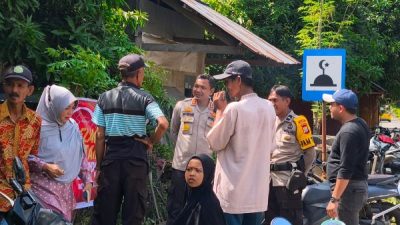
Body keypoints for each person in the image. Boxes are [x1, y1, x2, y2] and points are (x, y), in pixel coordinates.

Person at [91, 54, 169, 225]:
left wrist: (98, 166)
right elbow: (163, 124)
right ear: (139, 73)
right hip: (135, 160)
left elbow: (99, 136)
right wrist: (150, 141)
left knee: (105, 213)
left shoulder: (104, 98)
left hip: (111, 159)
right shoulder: (145, 98)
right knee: (134, 214)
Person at [207, 60, 276, 225]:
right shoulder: (268, 107)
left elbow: (214, 143)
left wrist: (219, 111)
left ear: (238, 80)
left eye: (227, 82)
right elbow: (271, 147)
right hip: (257, 193)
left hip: (233, 193)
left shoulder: (234, 108)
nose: (227, 87)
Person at [27, 84, 92, 222]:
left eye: (72, 107)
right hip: (41, 190)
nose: (70, 112)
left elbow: (80, 155)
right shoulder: (34, 127)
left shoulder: (73, 126)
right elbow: (23, 156)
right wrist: (44, 166)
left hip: (66, 194)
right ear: (54, 106)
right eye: (66, 108)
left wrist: (88, 181)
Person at [167, 74, 216, 225]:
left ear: (212, 91)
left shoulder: (217, 112)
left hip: (203, 170)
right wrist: (180, 151)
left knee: (199, 207)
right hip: (181, 166)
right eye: (196, 86)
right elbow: (173, 131)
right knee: (176, 206)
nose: (198, 90)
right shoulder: (182, 105)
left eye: (203, 87)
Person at [264, 85, 316, 225]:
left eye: (275, 100)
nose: (272, 104)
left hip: (287, 182)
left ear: (287, 101)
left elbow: (310, 153)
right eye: (270, 100)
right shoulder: (269, 121)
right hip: (268, 180)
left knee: (290, 220)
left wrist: (300, 175)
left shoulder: (298, 122)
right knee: (270, 219)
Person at [0, 65, 41, 223]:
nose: (14, 90)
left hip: (22, 196)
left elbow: (33, 154)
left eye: (20, 85)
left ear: (29, 90)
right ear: (4, 87)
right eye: (10, 84)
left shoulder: (35, 121)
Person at [322, 89, 369, 225]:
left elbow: (346, 169)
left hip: (348, 190)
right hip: (352, 187)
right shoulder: (360, 123)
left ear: (341, 108)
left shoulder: (349, 131)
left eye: (332, 104)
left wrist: (334, 200)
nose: (330, 108)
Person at [172, 154, 226, 225]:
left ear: (208, 174)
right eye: (189, 169)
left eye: (197, 170)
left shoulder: (208, 206)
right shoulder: (187, 196)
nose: (192, 174)